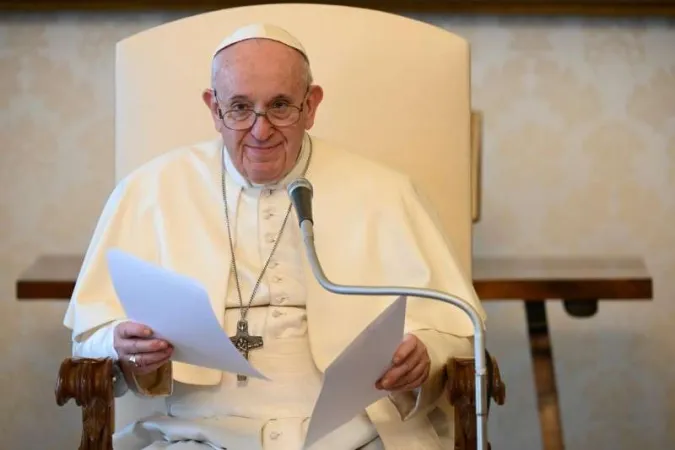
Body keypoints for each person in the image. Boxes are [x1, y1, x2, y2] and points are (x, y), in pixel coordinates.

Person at [64, 23, 487, 450]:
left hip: (358, 429)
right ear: (213, 108)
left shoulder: (386, 191)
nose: (260, 131)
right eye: (240, 108)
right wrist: (120, 343)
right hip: (198, 430)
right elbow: (91, 334)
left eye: (280, 106)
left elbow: (453, 329)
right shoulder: (149, 191)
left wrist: (423, 355)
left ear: (312, 105)